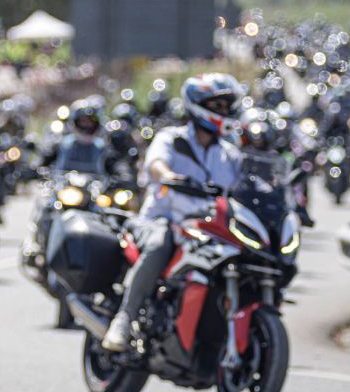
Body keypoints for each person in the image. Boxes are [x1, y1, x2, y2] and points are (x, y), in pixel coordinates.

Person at [101, 73, 246, 352]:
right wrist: (169, 175)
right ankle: (124, 318)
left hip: (208, 228)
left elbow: (245, 185)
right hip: (162, 220)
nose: (224, 113)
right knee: (159, 243)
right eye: (217, 106)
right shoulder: (171, 138)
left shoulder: (230, 154)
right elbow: (155, 164)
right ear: (196, 106)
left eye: (227, 107)